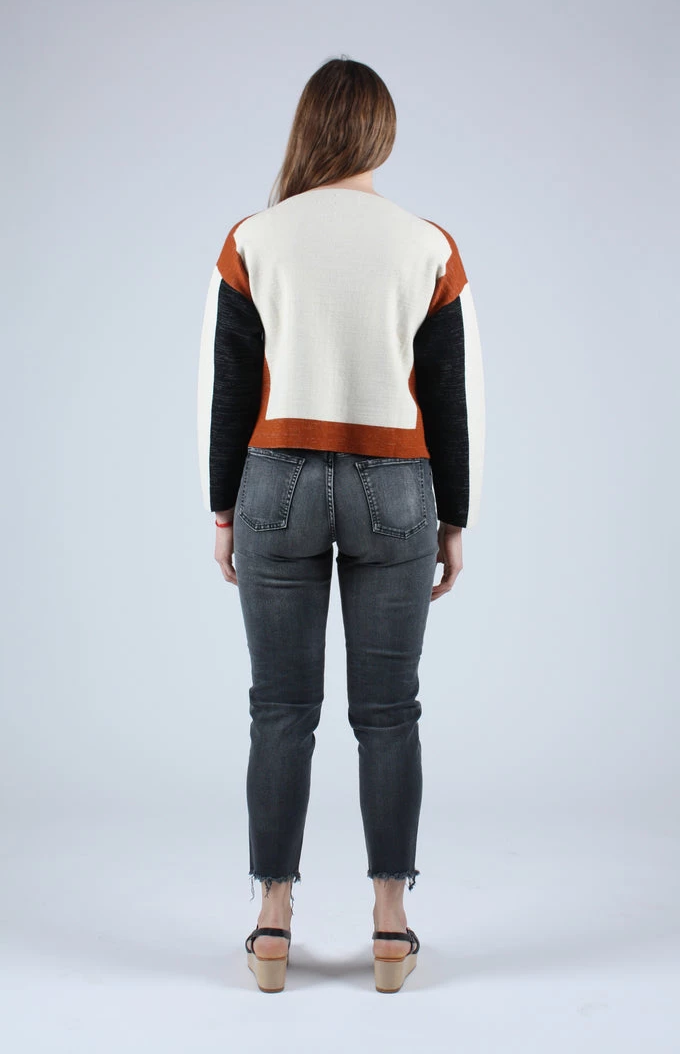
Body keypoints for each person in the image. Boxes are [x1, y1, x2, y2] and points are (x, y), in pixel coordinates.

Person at [197, 55, 485, 993]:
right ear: (381, 133)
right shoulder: (427, 245)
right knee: (389, 713)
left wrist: (222, 508)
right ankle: (391, 928)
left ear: (309, 126)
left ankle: (272, 923)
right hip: (396, 486)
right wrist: (455, 518)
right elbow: (451, 395)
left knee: (280, 710)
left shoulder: (254, 238)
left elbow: (229, 387)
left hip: (276, 479)